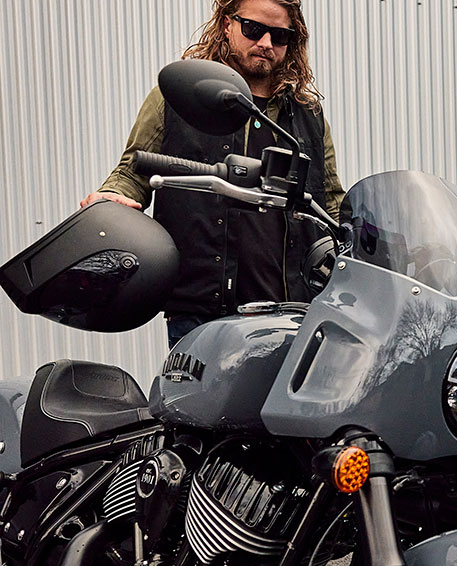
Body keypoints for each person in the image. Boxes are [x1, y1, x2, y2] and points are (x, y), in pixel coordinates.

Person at [81, 0, 345, 347]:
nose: (266, 43)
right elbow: (132, 173)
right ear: (226, 25)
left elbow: (331, 203)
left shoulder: (309, 115)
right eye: (254, 29)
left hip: (292, 315)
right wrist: (112, 198)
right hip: (202, 313)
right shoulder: (177, 98)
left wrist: (375, 243)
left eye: (280, 35)